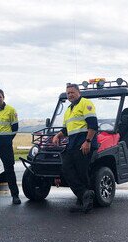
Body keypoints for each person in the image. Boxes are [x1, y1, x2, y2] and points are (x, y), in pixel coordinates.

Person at [52, 83, 98, 213]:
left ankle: (83, 202)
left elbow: (93, 125)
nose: (70, 95)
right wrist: (57, 135)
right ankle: (84, 195)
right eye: (68, 93)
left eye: (72, 92)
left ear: (78, 92)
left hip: (83, 143)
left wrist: (88, 141)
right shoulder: (68, 110)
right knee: (67, 169)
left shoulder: (85, 104)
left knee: (82, 173)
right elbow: (67, 129)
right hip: (73, 144)